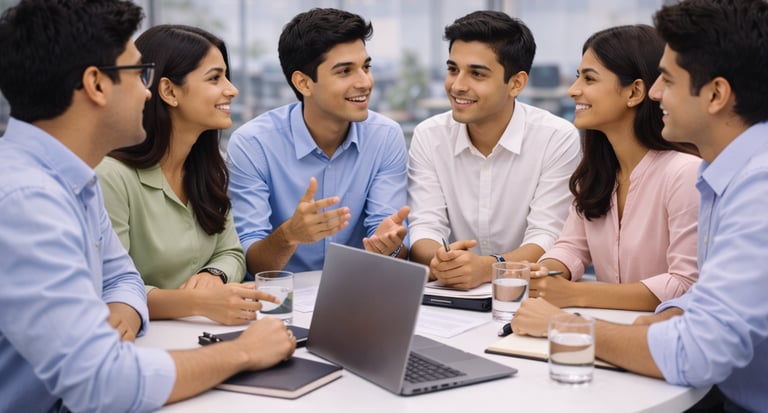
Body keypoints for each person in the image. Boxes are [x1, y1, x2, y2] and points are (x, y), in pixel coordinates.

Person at [0, 1, 294, 411]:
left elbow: (121, 278)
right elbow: (103, 383)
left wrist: (124, 308)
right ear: (96, 84)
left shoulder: (71, 180)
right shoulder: (25, 202)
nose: (147, 90)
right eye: (140, 74)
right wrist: (242, 353)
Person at [512, 1, 768, 411]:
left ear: (717, 94)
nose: (654, 92)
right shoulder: (721, 176)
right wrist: (669, 314)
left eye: (666, 79)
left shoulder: (755, 187)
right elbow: (704, 295)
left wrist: (567, 321)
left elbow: (697, 351)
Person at [96, 24, 270, 326]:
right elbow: (110, 287)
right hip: (145, 344)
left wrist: (213, 275)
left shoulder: (209, 168)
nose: (232, 89)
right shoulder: (111, 177)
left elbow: (231, 251)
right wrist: (196, 302)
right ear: (169, 91)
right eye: (215, 78)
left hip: (201, 332)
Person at [527, 25, 700, 311]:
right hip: (603, 331)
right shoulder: (596, 174)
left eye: (589, 79)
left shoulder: (684, 174)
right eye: (577, 77)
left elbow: (684, 284)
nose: (573, 90)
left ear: (634, 92)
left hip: (657, 342)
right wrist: (548, 273)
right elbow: (571, 246)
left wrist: (574, 295)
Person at [227, 8, 409, 276]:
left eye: (366, 67)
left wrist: (389, 246)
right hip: (280, 300)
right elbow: (252, 264)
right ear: (303, 83)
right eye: (345, 71)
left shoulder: (385, 136)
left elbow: (394, 245)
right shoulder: (252, 144)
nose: (365, 82)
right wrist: (290, 234)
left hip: (355, 292)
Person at [407, 11, 581, 290]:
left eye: (476, 73)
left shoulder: (556, 138)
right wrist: (440, 261)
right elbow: (425, 226)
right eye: (453, 69)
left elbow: (547, 235)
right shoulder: (429, 135)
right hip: (452, 295)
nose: (458, 85)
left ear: (516, 83)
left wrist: (489, 267)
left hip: (528, 294)